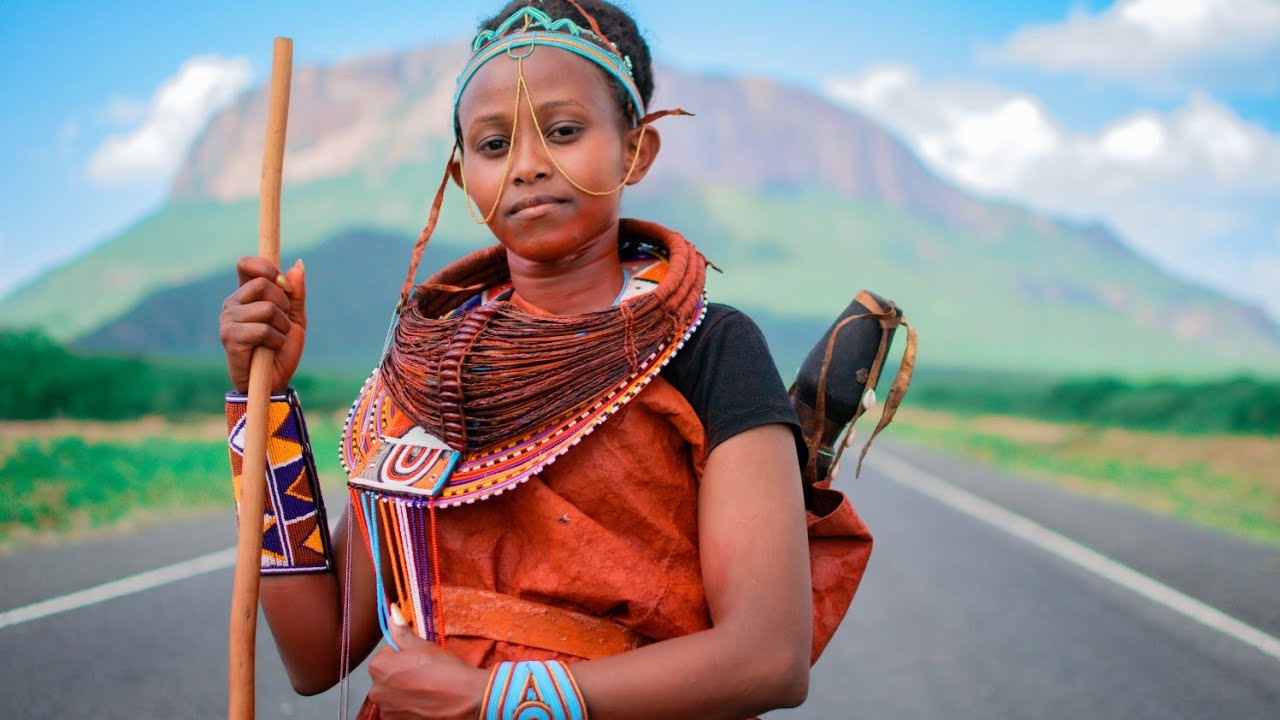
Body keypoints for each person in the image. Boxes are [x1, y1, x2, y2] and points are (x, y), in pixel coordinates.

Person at [219, 2, 903, 717]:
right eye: (491, 145)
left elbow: (768, 658)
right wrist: (258, 401)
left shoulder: (709, 348)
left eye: (565, 131)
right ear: (462, 179)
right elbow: (314, 652)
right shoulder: (423, 374)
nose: (526, 165)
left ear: (636, 151)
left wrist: (492, 700)